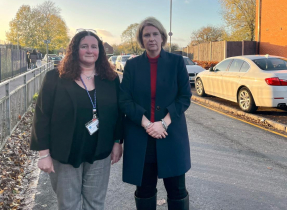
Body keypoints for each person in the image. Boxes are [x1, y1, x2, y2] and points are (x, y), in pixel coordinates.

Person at [30, 30, 123, 210]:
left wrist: (118, 142)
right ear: (75, 50)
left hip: (100, 152)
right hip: (64, 153)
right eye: (84, 46)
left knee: (95, 204)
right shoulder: (55, 79)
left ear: (100, 51)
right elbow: (41, 116)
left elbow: (118, 114)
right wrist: (44, 154)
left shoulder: (111, 80)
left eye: (94, 47)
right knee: (68, 205)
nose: (90, 50)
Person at [119, 17, 192, 210]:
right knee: (144, 191)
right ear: (141, 40)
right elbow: (124, 100)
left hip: (170, 134)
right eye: (146, 35)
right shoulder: (132, 66)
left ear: (162, 37)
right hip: (141, 137)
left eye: (155, 34)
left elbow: (184, 97)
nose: (151, 38)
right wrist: (147, 124)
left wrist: (164, 123)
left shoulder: (176, 62)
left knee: (177, 191)